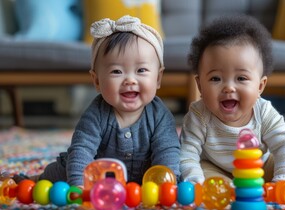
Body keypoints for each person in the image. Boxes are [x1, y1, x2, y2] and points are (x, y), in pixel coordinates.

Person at [19, 15, 181, 187]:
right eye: (117, 72)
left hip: (144, 179)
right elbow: (82, 149)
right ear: (96, 81)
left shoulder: (160, 116)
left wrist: (166, 183)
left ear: (158, 78)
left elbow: (168, 151)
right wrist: (79, 184)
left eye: (141, 70)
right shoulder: (96, 114)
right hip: (96, 178)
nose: (130, 80)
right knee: (58, 175)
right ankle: (34, 179)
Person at [179, 15, 285, 185]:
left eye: (241, 78)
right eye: (215, 79)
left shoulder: (263, 112)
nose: (229, 87)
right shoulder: (199, 115)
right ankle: (226, 190)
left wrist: (283, 180)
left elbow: (284, 145)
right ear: (200, 85)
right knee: (204, 174)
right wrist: (195, 183)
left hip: (260, 168)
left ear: (260, 86)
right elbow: (187, 153)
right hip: (217, 168)